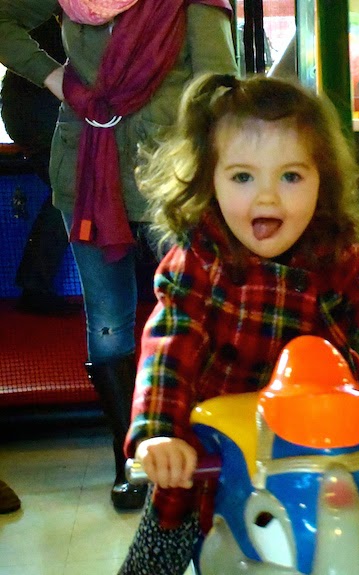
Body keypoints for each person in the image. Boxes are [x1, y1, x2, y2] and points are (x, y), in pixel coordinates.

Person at [118, 73, 359, 574]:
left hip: (321, 449)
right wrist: (160, 433)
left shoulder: (338, 258)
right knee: (160, 544)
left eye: (291, 177)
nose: (267, 199)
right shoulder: (198, 261)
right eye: (242, 177)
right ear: (209, 181)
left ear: (323, 181)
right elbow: (171, 343)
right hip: (217, 452)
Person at [0, 0, 238, 511]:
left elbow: (218, 90)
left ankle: (194, 446)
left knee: (194, 315)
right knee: (108, 325)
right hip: (86, 170)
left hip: (172, 180)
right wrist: (56, 79)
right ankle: (129, 457)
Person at [0, 15, 76, 315]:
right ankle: (35, 284)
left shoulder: (46, 18)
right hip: (41, 116)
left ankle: (35, 283)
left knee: (71, 188)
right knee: (71, 189)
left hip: (29, 114)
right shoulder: (66, 19)